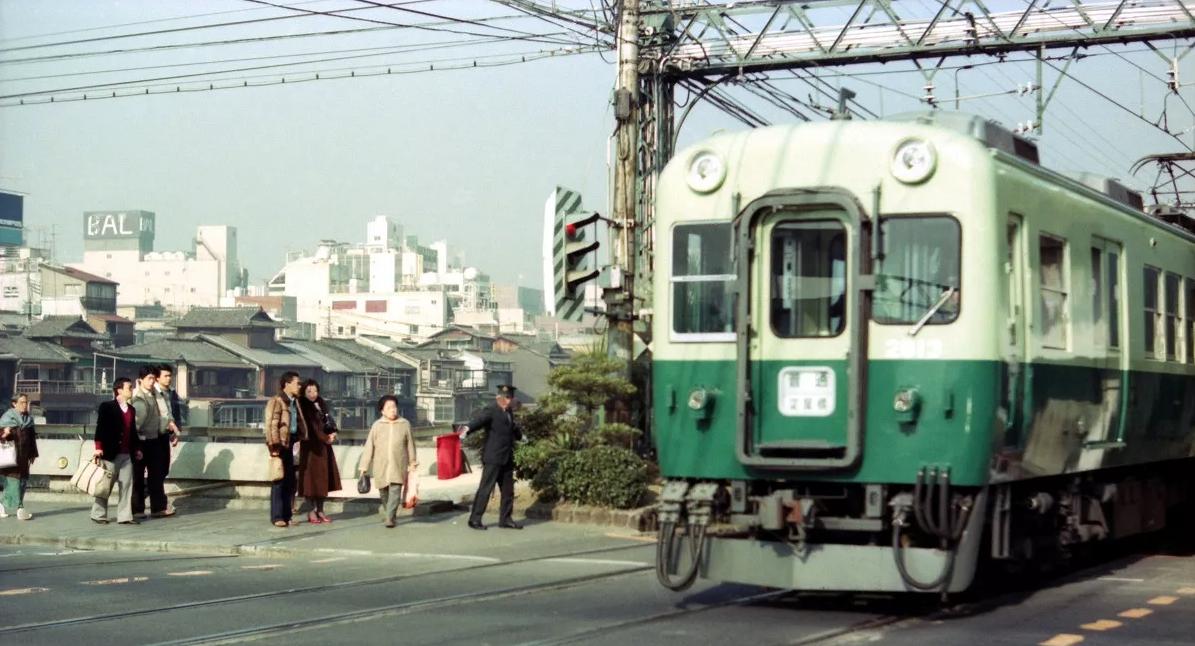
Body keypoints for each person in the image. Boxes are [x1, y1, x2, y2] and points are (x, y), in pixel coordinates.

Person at [458, 384, 523, 531]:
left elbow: (512, 427)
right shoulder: (491, 409)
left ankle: (505, 519)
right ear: (498, 397)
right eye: (505, 397)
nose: (508, 400)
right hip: (493, 457)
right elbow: (479, 421)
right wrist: (467, 429)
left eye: (510, 397)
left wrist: (521, 436)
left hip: (506, 456)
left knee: (508, 491)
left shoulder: (509, 412)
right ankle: (474, 519)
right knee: (485, 489)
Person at [358, 394, 417, 528]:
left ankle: (389, 518)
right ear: (382, 411)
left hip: (398, 464)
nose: (393, 410)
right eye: (389, 407)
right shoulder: (377, 426)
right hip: (381, 465)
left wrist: (412, 463)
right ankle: (391, 514)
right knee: (384, 493)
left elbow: (410, 445)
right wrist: (364, 466)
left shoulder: (404, 424)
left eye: (394, 407)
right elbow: (369, 447)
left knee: (395, 492)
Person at [91, 378, 142, 525]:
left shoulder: (132, 410)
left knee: (126, 485)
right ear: (119, 390)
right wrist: (98, 448)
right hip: (110, 453)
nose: (131, 390)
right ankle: (98, 514)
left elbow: (132, 431)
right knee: (105, 485)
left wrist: (137, 449)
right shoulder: (107, 407)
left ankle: (125, 516)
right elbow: (100, 428)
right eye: (129, 387)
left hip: (127, 454)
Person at [130, 366, 177, 519]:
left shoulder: (156, 395)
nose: (151, 382)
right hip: (141, 442)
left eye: (153, 378)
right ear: (141, 380)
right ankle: (137, 509)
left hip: (154, 440)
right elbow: (134, 425)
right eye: (148, 378)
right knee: (137, 476)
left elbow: (165, 415)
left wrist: (171, 428)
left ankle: (158, 508)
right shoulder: (138, 398)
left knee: (156, 476)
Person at [264, 372, 306, 528]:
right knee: (279, 481)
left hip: (293, 443)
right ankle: (277, 517)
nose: (299, 386)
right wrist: (274, 447)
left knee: (290, 481)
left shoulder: (295, 403)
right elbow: (271, 425)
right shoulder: (277, 401)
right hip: (281, 445)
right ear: (287, 384)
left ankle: (287, 516)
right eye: (297, 383)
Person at [297, 379, 341, 524]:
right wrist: (325, 438)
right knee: (310, 482)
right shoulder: (302, 405)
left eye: (315, 391)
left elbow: (328, 421)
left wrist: (333, 433)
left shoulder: (321, 403)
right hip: (310, 448)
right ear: (303, 392)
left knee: (323, 480)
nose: (313, 394)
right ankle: (311, 512)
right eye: (309, 391)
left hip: (323, 447)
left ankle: (320, 510)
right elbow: (311, 427)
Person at [0, 394, 38, 520]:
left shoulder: (29, 420)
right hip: (10, 457)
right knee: (13, 483)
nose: (25, 405)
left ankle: (17, 508)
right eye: (21, 402)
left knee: (22, 482)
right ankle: (17, 508)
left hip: (24, 457)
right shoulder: (7, 418)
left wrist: (33, 454)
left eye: (26, 402)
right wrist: (4, 434)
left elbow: (32, 439)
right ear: (14, 404)